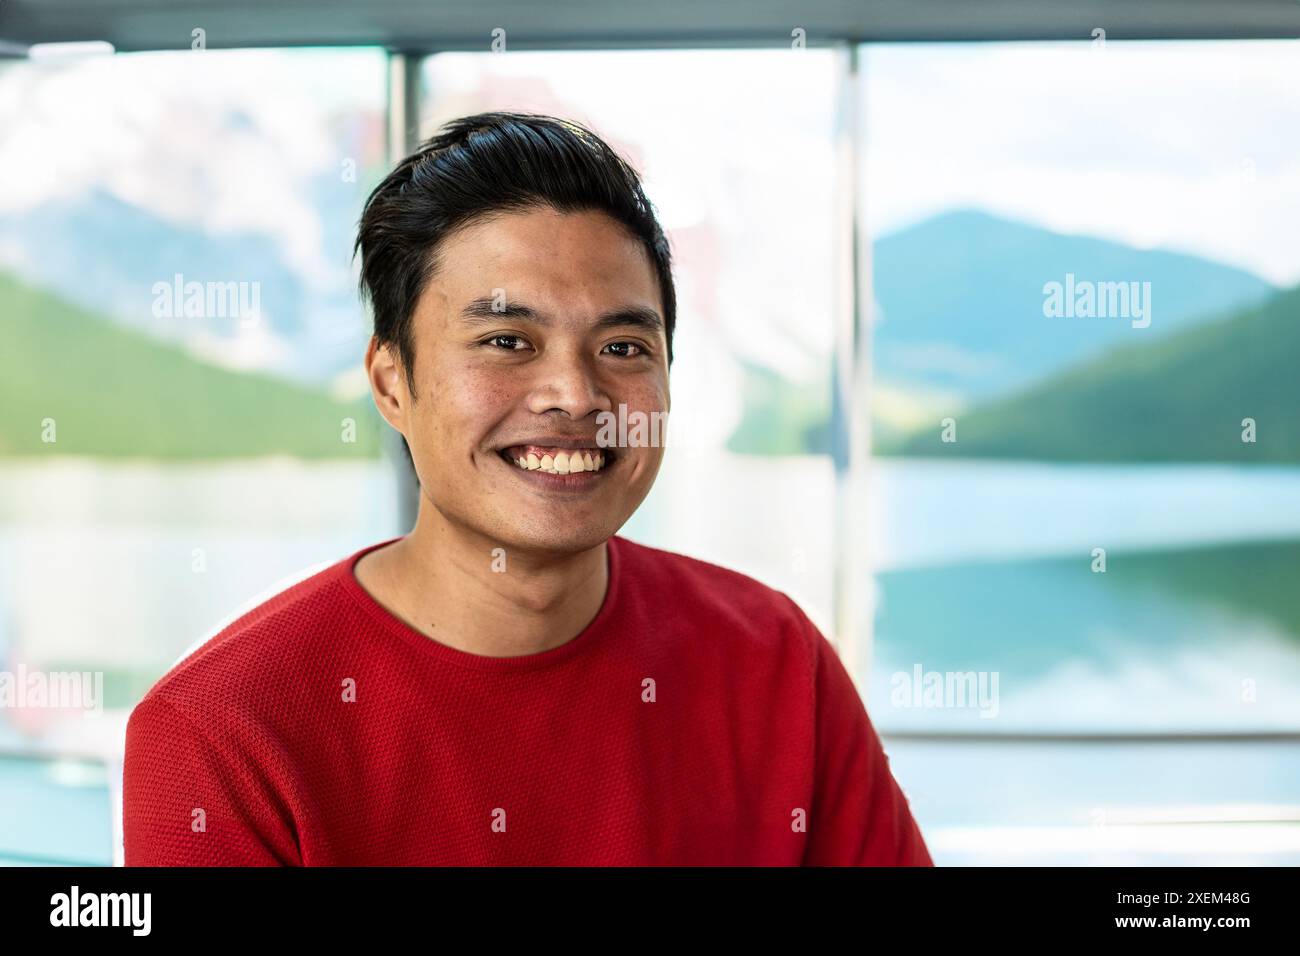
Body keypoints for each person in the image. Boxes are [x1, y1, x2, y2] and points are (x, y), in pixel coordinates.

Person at [122, 111, 933, 866]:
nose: (575, 396)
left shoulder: (778, 663)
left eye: (623, 348)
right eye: (507, 340)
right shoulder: (221, 732)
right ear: (392, 382)